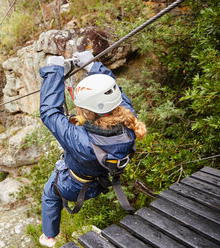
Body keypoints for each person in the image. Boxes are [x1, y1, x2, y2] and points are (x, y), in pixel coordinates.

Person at [38, 51, 147, 247]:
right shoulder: (128, 120)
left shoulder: (80, 141)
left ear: (84, 111)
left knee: (50, 194)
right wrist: (93, 66)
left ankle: (48, 236)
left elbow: (49, 113)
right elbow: (114, 94)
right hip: (102, 180)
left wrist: (54, 72)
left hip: (73, 186)